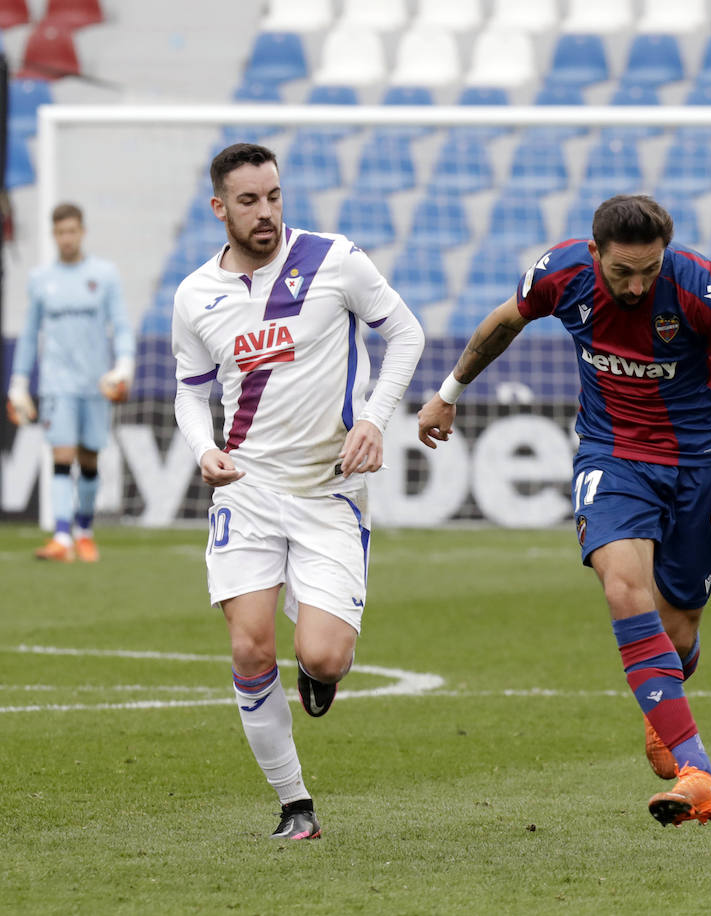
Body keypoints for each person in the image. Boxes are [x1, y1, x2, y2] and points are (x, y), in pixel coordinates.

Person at [417, 194, 711, 827]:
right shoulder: (561, 273)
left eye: (649, 270)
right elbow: (503, 322)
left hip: (698, 464)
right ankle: (698, 772)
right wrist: (448, 393)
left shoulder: (698, 289)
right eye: (623, 271)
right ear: (595, 253)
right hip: (612, 456)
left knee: (676, 636)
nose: (636, 285)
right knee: (626, 591)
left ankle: (668, 703)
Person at [171, 143, 425, 840]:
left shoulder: (334, 259)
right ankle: (296, 806)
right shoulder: (196, 295)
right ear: (219, 208)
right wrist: (204, 448)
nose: (266, 213)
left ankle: (320, 669)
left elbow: (405, 333)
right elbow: (190, 394)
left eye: (274, 196)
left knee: (323, 656)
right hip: (246, 490)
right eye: (249, 201)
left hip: (327, 491)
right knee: (251, 649)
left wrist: (374, 418)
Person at [8, 202, 135, 563]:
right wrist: (19, 383)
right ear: (54, 235)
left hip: (95, 382)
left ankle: (84, 530)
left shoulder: (104, 275)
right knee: (61, 455)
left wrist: (123, 366)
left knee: (90, 458)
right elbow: (31, 335)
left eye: (71, 231)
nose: (66, 238)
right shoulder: (41, 280)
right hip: (56, 384)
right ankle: (62, 536)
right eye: (60, 232)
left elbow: (121, 325)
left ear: (82, 232)